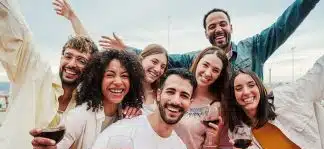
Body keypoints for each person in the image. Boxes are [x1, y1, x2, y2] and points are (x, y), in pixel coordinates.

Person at [104, 0, 320, 80]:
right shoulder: (195, 59)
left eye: (222, 24)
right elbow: (162, 59)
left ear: (231, 27)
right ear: (206, 33)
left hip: (249, 128)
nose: (218, 29)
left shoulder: (255, 48)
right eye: (212, 26)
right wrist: (127, 49)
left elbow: (286, 23)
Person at [0, 0, 98, 149]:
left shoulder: (85, 105)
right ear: (61, 58)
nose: (72, 64)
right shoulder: (35, 76)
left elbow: (99, 59)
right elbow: (20, 33)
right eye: (68, 56)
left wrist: (73, 18)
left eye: (81, 60)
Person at [52, 0, 169, 116]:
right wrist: (73, 17)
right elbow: (92, 53)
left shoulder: (161, 91)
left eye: (163, 66)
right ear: (141, 59)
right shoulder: (123, 82)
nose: (158, 69)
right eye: (154, 62)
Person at [34, 50, 145, 149]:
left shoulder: (129, 117)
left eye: (124, 76)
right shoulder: (78, 117)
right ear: (98, 79)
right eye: (110, 75)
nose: (118, 81)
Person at [226, 55, 324, 149]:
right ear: (233, 96)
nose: (246, 92)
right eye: (239, 88)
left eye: (251, 85)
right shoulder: (237, 131)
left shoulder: (289, 96)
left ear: (260, 88)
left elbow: (318, 74)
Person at [88, 68, 198, 149]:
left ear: (190, 103)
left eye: (184, 95)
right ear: (158, 94)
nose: (175, 101)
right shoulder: (123, 130)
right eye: (170, 92)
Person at [174, 46, 228, 149]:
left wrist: (212, 137)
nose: (208, 73)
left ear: (220, 75)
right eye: (205, 65)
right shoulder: (176, 91)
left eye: (215, 70)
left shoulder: (216, 106)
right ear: (197, 62)